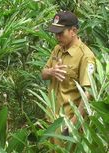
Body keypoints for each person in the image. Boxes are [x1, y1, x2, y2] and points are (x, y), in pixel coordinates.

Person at [41, 11, 95, 143]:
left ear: (73, 31)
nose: (57, 37)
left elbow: (88, 93)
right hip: (52, 119)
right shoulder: (57, 50)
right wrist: (51, 72)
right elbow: (43, 74)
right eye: (55, 33)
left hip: (67, 122)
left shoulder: (85, 56)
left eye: (60, 33)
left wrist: (72, 124)